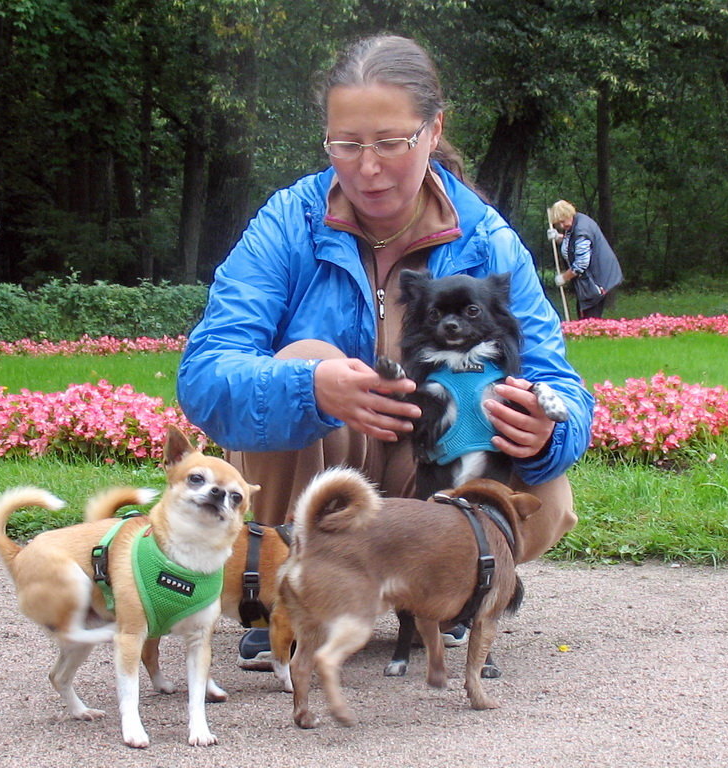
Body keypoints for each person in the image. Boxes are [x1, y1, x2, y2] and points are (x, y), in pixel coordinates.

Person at [177, 35, 595, 669]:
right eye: (346, 145)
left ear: (433, 131)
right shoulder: (288, 223)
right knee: (300, 359)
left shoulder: (488, 239)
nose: (367, 167)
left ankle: (451, 587)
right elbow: (204, 377)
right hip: (321, 467)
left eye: (390, 143)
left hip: (429, 471)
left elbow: (560, 384)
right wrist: (310, 387)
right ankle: (286, 597)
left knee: (536, 457)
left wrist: (545, 425)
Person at [546, 200, 623, 319]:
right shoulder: (574, 222)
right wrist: (558, 237)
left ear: (568, 214)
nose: (561, 226)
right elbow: (572, 244)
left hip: (597, 280)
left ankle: (592, 336)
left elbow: (581, 265)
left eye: (562, 222)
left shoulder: (581, 231)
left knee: (589, 318)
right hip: (589, 280)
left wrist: (563, 277)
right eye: (558, 223)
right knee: (583, 311)